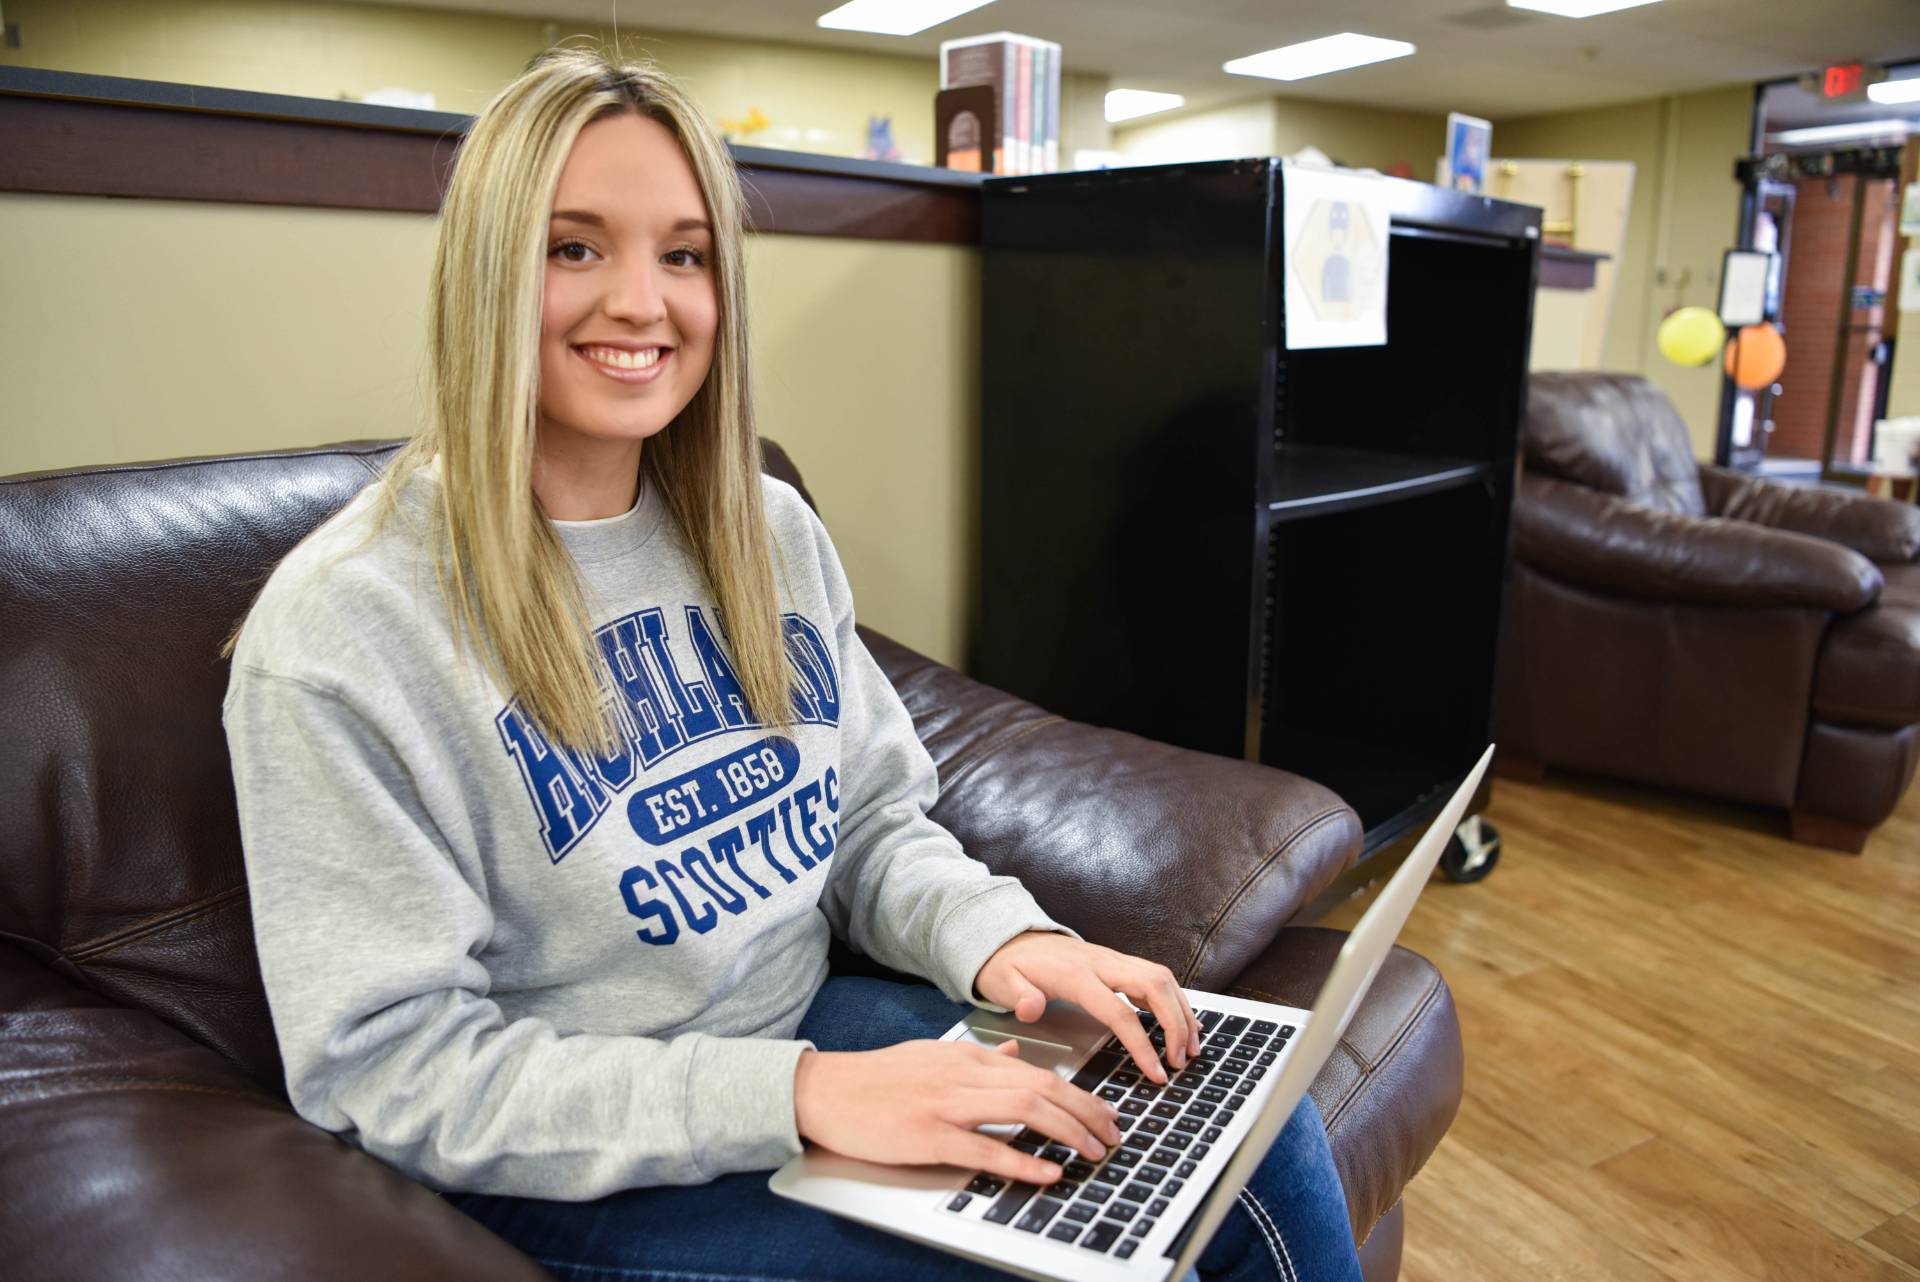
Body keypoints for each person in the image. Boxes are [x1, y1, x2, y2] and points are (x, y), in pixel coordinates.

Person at [220, 44, 1365, 1282]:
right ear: (488, 272)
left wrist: (1003, 940)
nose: (642, 303)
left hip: (809, 1032)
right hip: (578, 1151)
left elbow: (868, 817)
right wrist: (803, 1094)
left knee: (1253, 1120)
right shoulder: (344, 631)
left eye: (685, 253)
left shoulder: (762, 529)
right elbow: (391, 1068)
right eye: (574, 247)